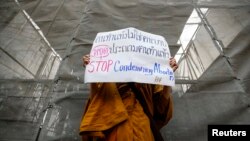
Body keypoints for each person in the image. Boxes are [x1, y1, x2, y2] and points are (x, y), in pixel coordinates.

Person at [79, 54, 178, 141]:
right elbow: (96, 102)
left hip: (143, 130)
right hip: (115, 129)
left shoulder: (149, 75)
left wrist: (168, 75)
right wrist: (92, 70)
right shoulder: (107, 73)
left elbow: (161, 109)